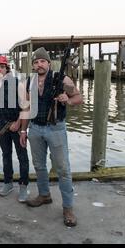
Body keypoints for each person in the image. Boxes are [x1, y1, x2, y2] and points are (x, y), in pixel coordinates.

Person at [19, 47, 83, 226]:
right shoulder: (28, 82)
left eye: (42, 61)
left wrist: (67, 99)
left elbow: (79, 98)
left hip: (56, 129)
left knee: (63, 169)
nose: (39, 64)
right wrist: (23, 131)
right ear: (33, 65)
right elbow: (26, 108)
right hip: (35, 129)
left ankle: (68, 208)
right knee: (39, 165)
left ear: (48, 63)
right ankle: (44, 195)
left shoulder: (62, 78)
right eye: (36, 62)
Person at [0, 55, 30, 202]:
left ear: (7, 68)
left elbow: (27, 105)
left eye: (2, 67)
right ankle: (8, 183)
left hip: (17, 124)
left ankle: (24, 186)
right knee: (6, 155)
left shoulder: (17, 83)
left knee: (22, 156)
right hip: (2, 124)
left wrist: (19, 122)